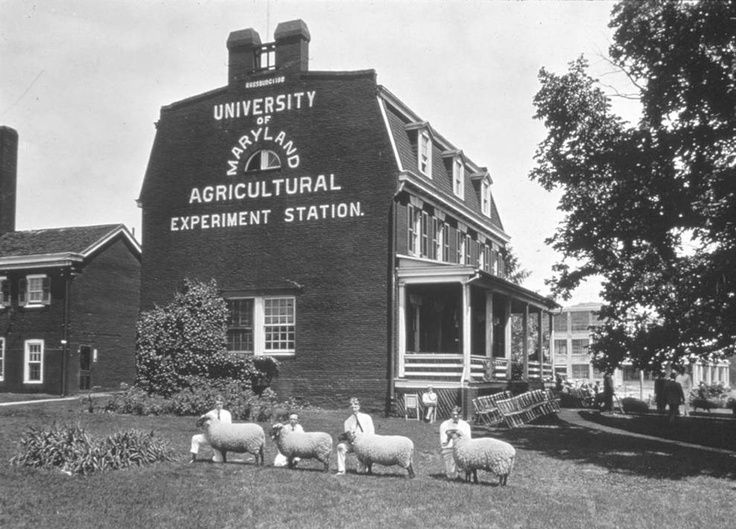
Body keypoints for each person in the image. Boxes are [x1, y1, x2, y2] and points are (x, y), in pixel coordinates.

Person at [336, 397, 374, 475]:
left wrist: (366, 442)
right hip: (353, 444)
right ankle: (341, 470)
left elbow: (371, 432)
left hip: (365, 444)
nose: (354, 409)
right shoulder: (347, 421)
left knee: (360, 472)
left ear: (359, 407)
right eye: (352, 407)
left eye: (356, 406)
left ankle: (367, 466)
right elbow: (348, 435)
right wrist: (350, 440)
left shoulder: (367, 418)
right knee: (340, 447)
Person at [190, 395, 232, 463]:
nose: (219, 406)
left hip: (221, 438)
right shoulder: (210, 414)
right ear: (214, 404)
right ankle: (193, 458)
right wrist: (203, 422)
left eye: (221, 404)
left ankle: (219, 456)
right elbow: (201, 426)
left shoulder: (227, 414)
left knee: (219, 460)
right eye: (217, 404)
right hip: (210, 437)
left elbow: (230, 427)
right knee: (195, 438)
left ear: (223, 404)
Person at [439, 406, 472, 480]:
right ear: (450, 414)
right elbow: (443, 442)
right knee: (452, 476)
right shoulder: (444, 425)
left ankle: (463, 468)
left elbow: (468, 440)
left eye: (457, 414)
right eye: (453, 414)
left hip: (462, 450)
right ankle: (453, 470)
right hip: (449, 449)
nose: (455, 416)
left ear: (461, 415)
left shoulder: (466, 426)